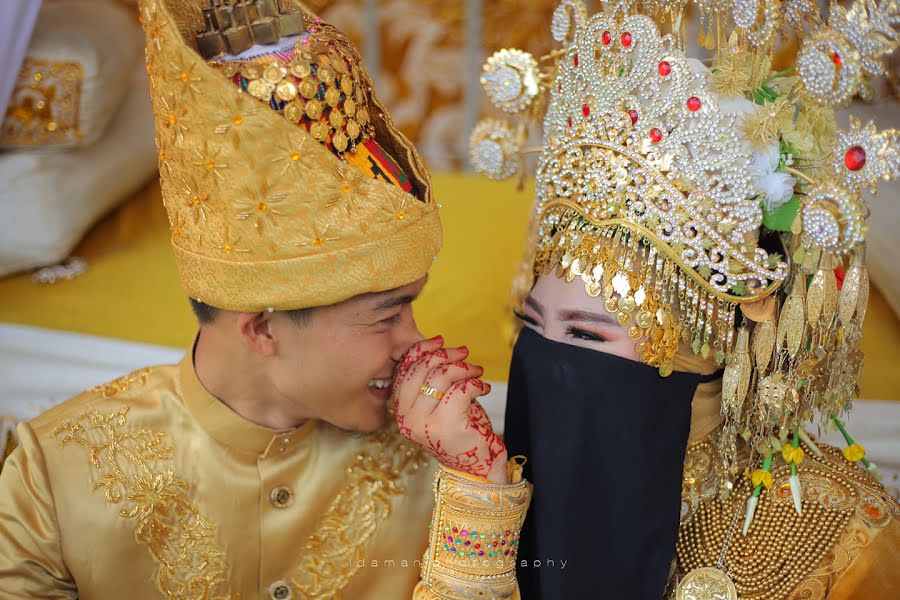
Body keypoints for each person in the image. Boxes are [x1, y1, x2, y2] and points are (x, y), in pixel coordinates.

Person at [0, 1, 532, 598]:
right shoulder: (55, 473)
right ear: (261, 329)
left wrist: (480, 485)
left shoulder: (444, 466)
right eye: (387, 315)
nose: (416, 340)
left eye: (410, 305)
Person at [470, 0, 900, 598]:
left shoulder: (828, 533)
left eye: (588, 334)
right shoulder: (488, 493)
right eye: (532, 325)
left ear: (711, 341)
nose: (545, 361)